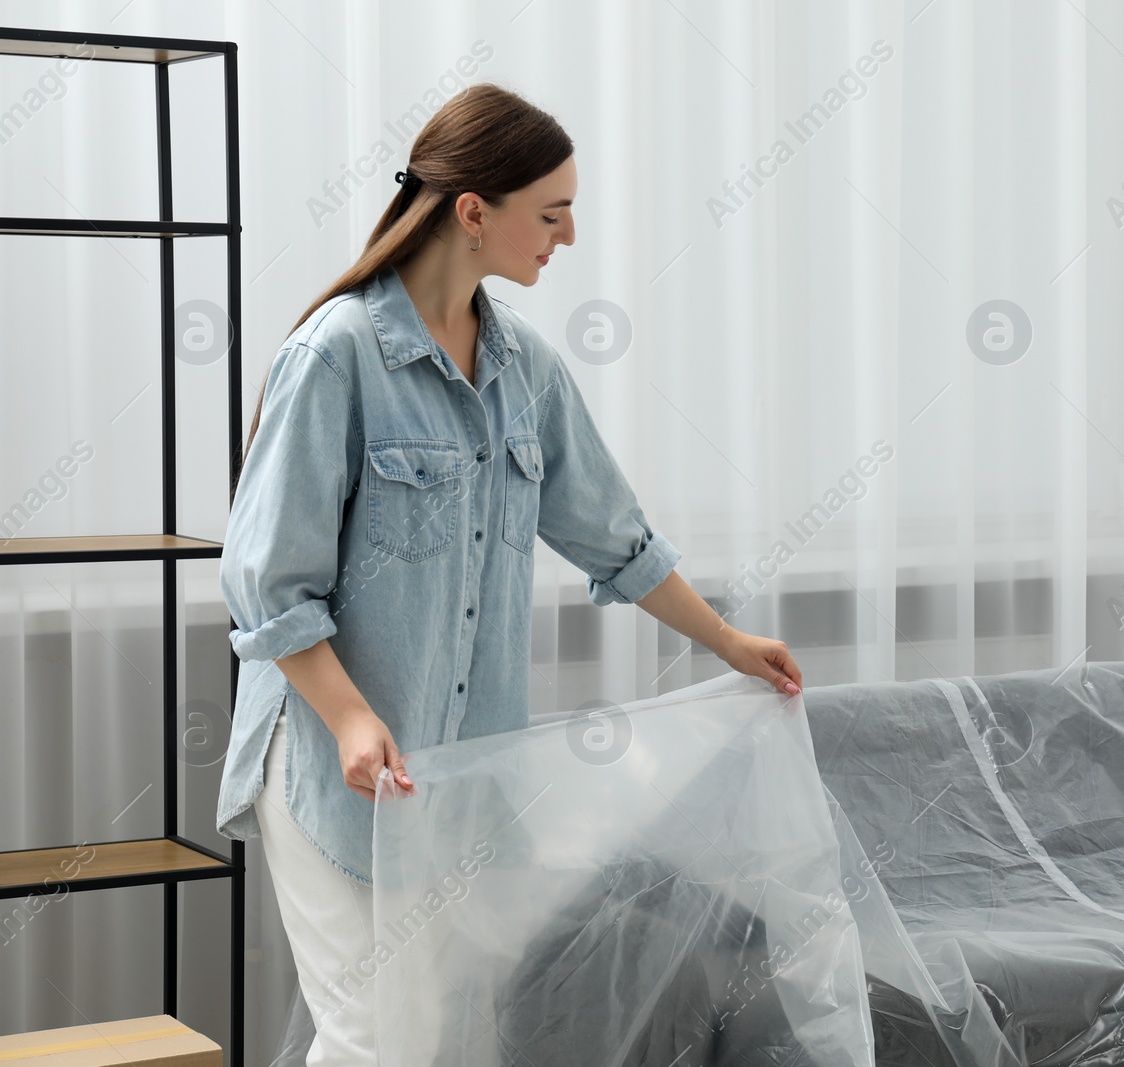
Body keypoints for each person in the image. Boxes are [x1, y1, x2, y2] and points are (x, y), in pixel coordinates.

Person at [212, 82, 802, 1065]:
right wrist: (353, 717)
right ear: (474, 211)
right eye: (552, 211)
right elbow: (268, 583)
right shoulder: (337, 358)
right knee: (376, 1040)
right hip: (334, 756)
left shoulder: (526, 369)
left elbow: (615, 537)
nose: (567, 235)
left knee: (447, 1036)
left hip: (459, 776)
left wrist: (729, 641)